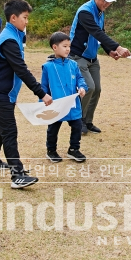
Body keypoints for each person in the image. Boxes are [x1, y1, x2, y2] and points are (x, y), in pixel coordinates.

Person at [0, 0, 52, 189]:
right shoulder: (9, 39)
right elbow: (21, 69)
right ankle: (17, 175)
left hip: (5, 92)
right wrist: (42, 93)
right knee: (9, 130)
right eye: (25, 18)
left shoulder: (14, 34)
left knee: (2, 127)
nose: (27, 22)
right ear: (13, 18)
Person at [69, 0, 131, 135]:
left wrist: (109, 50)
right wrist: (118, 47)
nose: (107, 4)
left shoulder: (100, 11)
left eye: (109, 2)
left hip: (92, 57)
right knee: (89, 87)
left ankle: (88, 121)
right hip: (79, 55)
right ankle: (79, 121)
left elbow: (101, 33)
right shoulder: (85, 12)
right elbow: (95, 32)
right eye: (105, 1)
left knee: (97, 89)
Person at [42, 32, 88, 163]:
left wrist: (82, 87)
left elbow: (80, 78)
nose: (68, 49)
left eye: (69, 46)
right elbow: (43, 87)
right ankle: (51, 151)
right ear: (55, 47)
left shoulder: (73, 64)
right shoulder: (47, 67)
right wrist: (42, 101)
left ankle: (74, 149)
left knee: (77, 126)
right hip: (56, 105)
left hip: (73, 104)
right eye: (64, 46)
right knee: (53, 129)